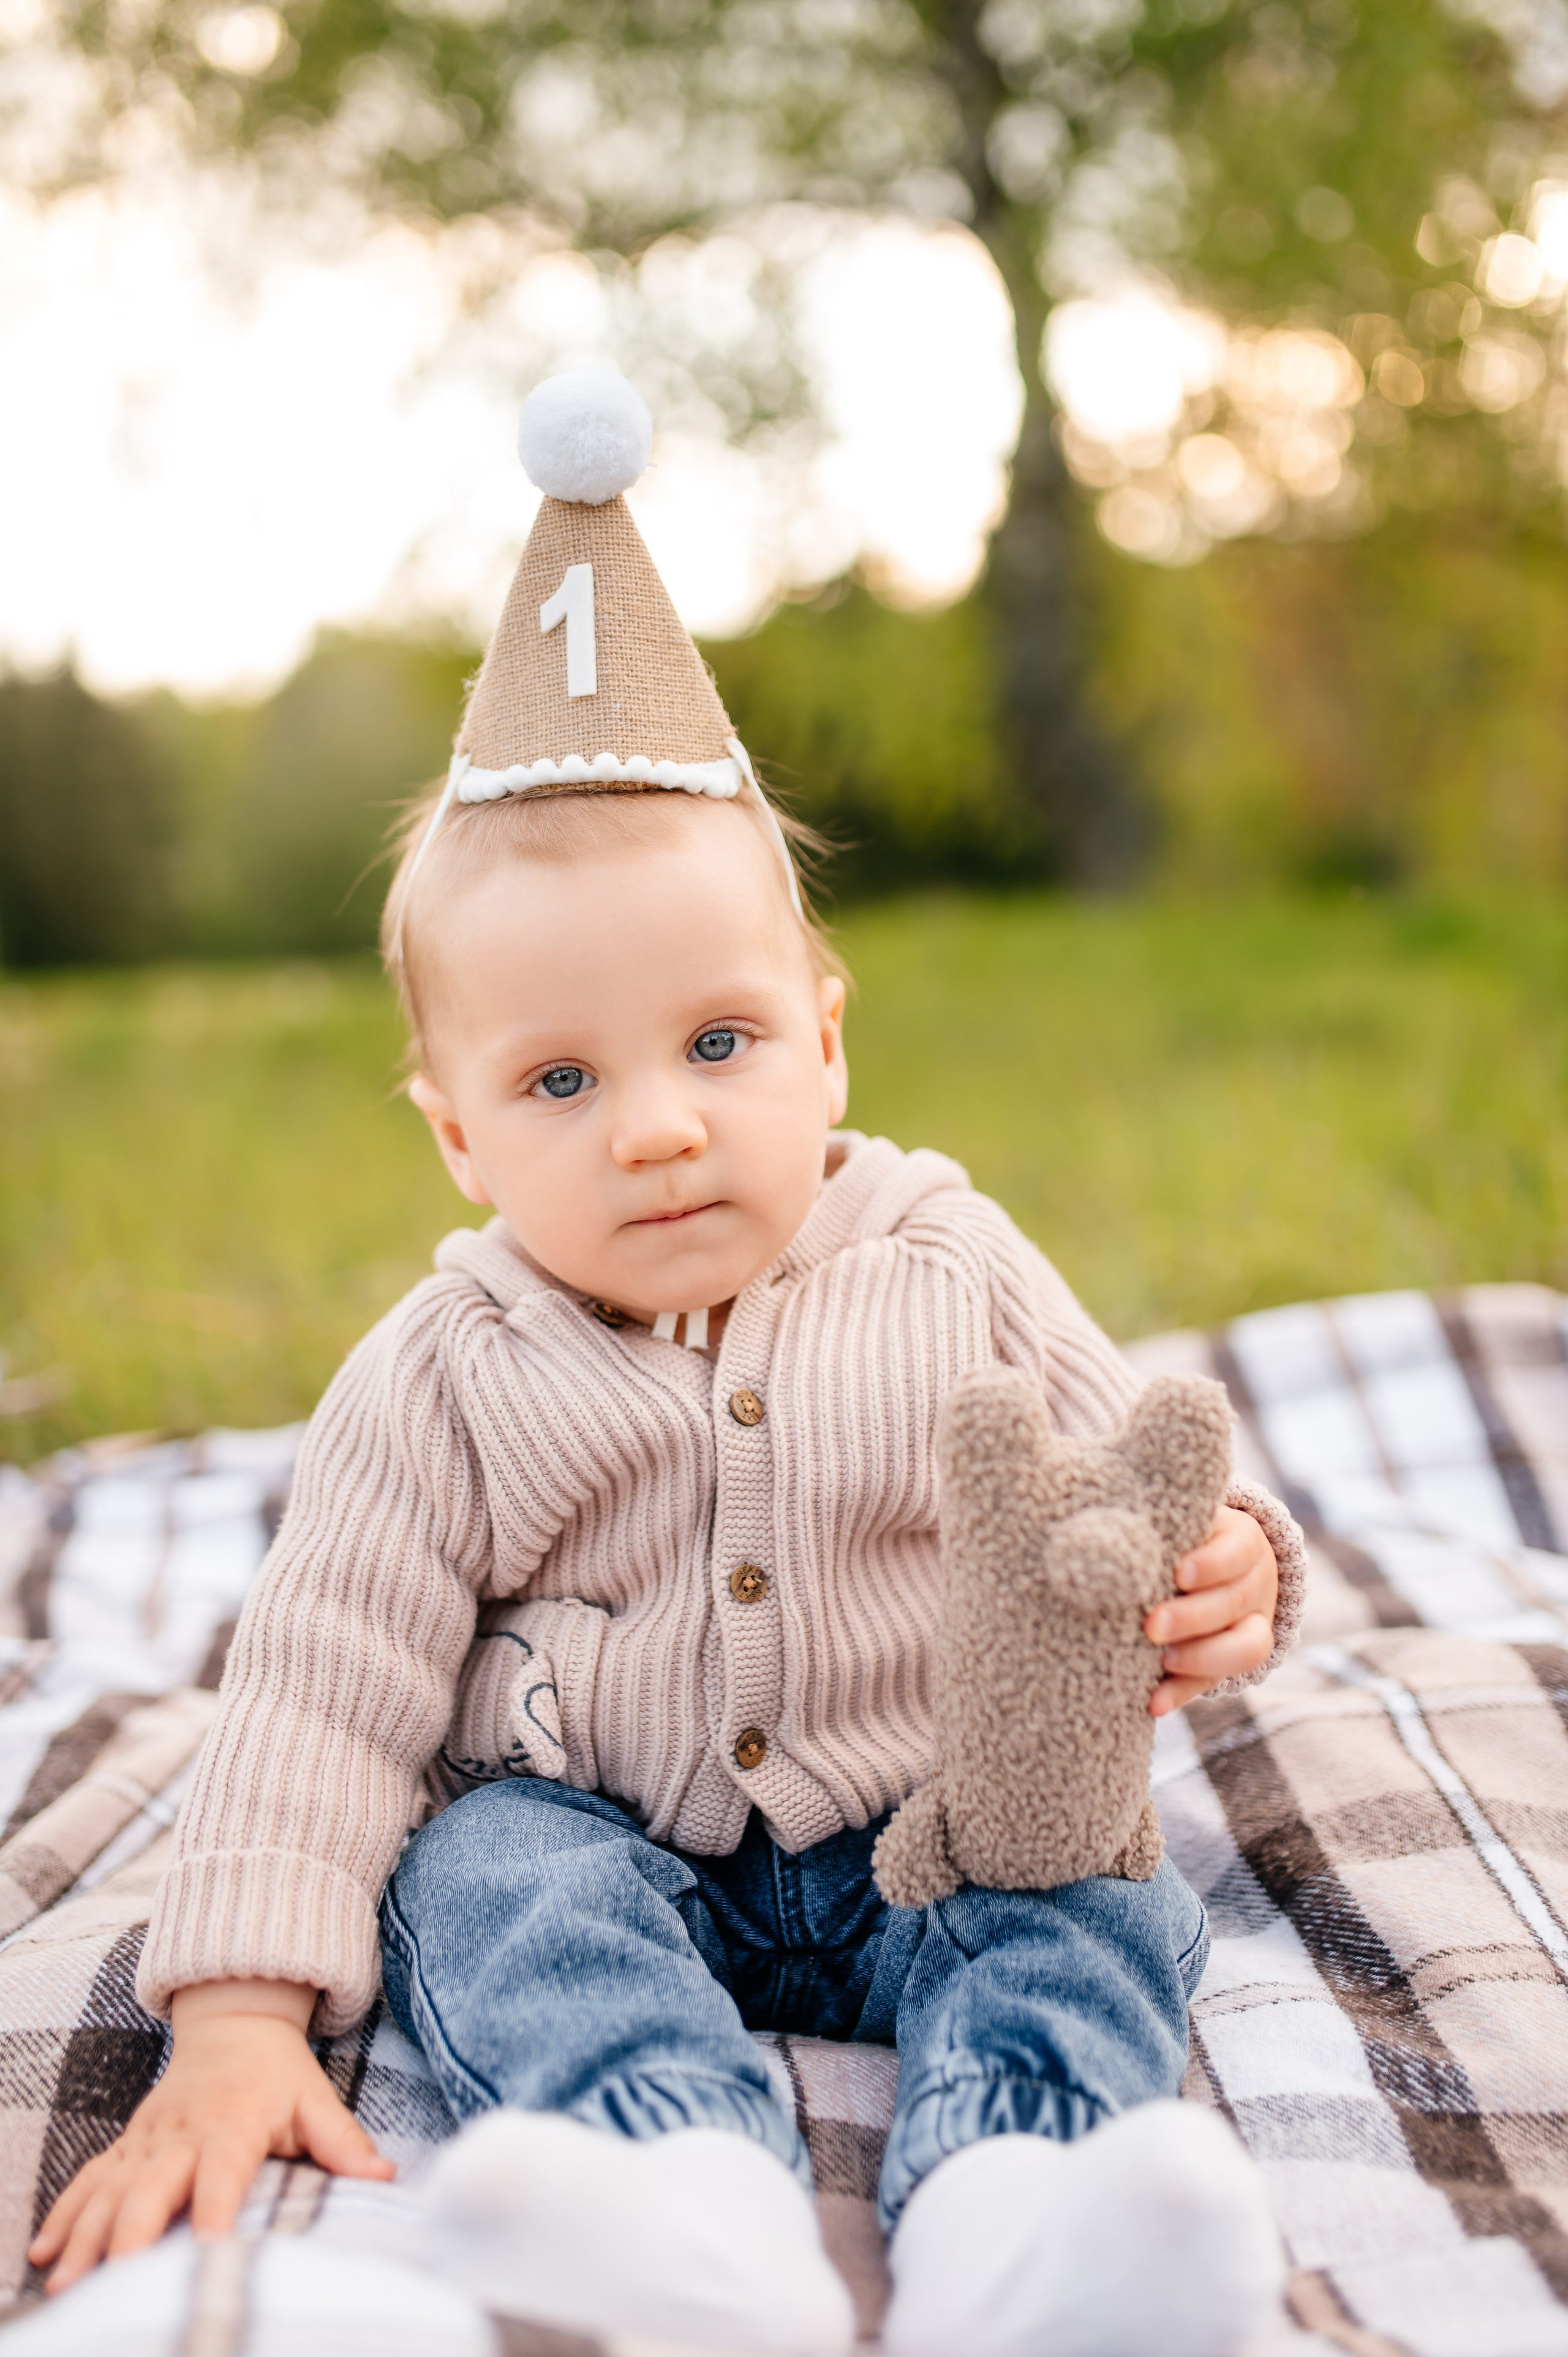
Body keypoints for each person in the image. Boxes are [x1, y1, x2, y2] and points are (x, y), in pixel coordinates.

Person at [31, 371, 1302, 2357]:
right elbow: (323, 1682)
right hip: (624, 1843)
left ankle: (1029, 2217)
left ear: (827, 1039)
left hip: (935, 1833)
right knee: (481, 1873)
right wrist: (231, 2018)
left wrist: (1224, 1564)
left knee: (1097, 1893)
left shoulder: (947, 1256)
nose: (656, 1126)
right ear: (457, 1135)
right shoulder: (447, 1368)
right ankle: (672, 2198)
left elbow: (1131, 1476)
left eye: (719, 1043)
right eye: (560, 1077)